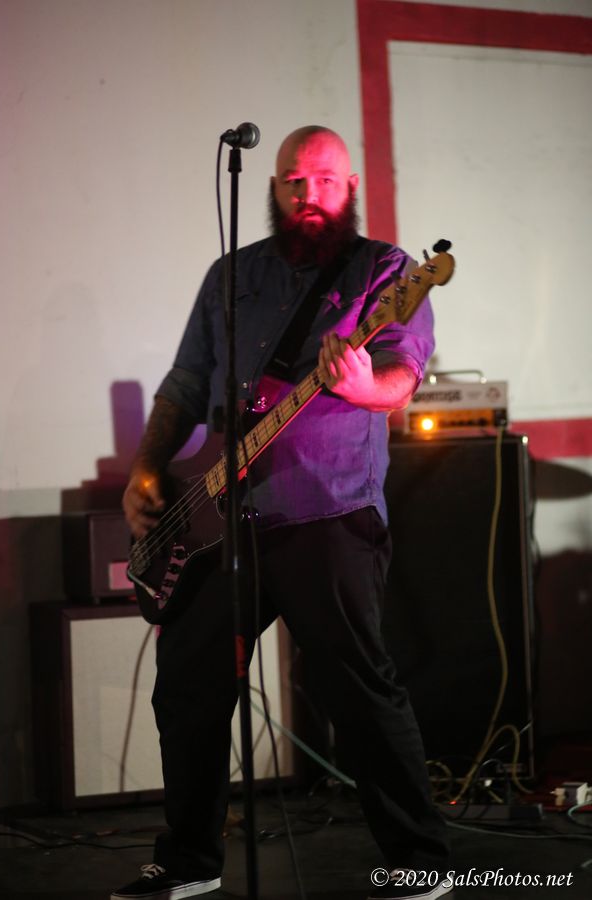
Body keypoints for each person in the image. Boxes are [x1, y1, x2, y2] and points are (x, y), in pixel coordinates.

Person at [113, 126, 452, 900]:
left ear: (351, 187)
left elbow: (401, 374)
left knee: (357, 688)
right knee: (186, 684)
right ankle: (189, 861)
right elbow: (186, 382)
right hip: (222, 519)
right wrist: (145, 468)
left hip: (327, 509)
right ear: (271, 186)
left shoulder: (386, 272)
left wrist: (361, 386)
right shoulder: (231, 276)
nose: (309, 195)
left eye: (325, 181)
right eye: (294, 181)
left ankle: (422, 861)